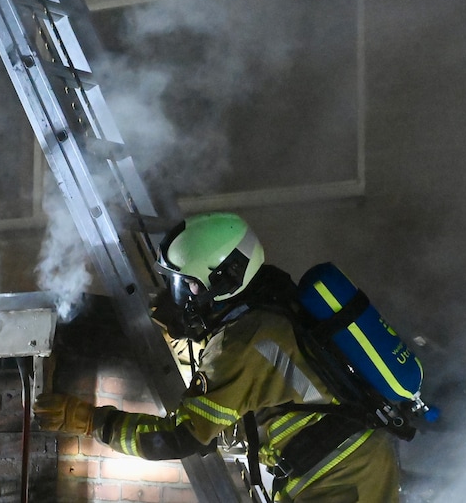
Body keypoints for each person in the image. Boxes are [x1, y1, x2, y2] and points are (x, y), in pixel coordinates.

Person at [34, 211, 402, 502]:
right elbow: (251, 406)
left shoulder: (239, 344)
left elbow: (179, 437)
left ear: (225, 279)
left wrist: (90, 420)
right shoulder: (269, 310)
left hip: (339, 477)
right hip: (351, 464)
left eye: (188, 284)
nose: (181, 296)